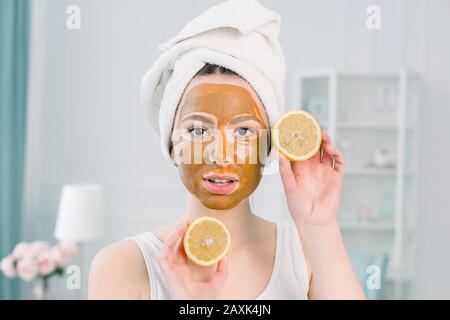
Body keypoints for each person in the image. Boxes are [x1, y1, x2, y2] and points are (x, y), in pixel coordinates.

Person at [89, 0, 365, 300]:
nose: (221, 154)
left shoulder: (307, 256)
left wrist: (319, 225)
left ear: (269, 145)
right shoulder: (123, 267)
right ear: (171, 143)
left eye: (244, 131)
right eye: (198, 130)